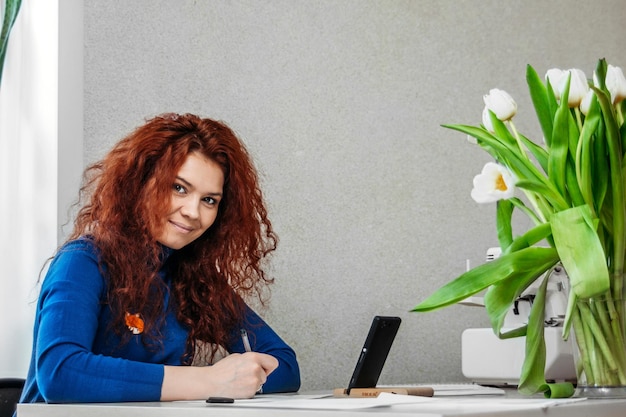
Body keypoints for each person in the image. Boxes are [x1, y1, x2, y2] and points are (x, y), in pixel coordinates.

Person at [18, 113, 301, 405]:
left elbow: (286, 366)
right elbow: (61, 374)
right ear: (140, 183)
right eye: (178, 188)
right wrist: (209, 380)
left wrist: (242, 378)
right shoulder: (83, 262)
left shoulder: (192, 278)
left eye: (209, 200)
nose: (193, 211)